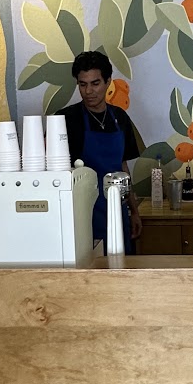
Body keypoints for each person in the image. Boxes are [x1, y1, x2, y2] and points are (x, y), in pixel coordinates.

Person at [61, 51, 144, 251]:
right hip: (82, 214)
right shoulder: (66, 119)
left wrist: (134, 211)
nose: (88, 91)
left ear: (108, 82)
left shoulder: (120, 118)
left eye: (95, 83)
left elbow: (123, 167)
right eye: (83, 84)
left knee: (121, 263)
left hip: (117, 209)